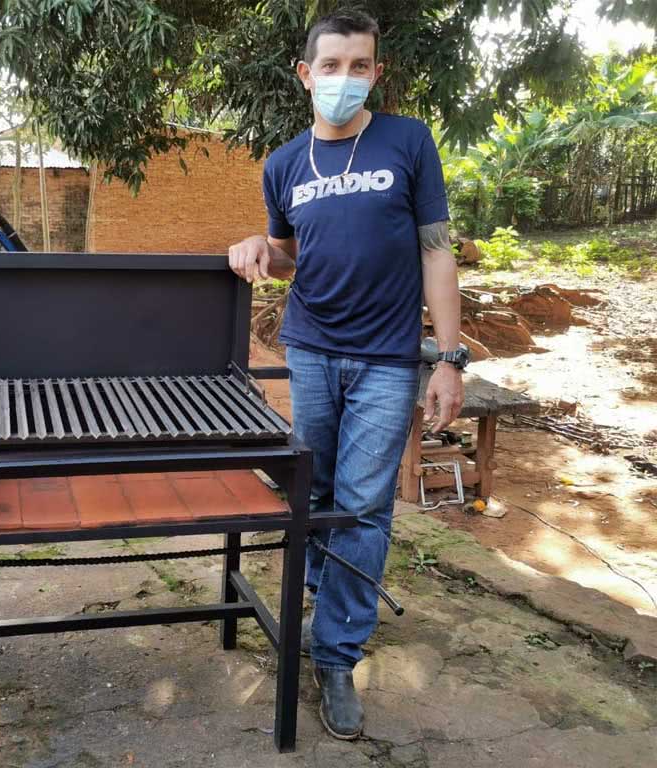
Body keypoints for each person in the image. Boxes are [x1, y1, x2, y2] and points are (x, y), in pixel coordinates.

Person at [228, 9, 465, 741]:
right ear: (305, 74)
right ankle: (324, 605)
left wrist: (449, 358)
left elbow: (436, 252)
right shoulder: (283, 165)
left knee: (364, 507)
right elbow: (291, 252)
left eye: (358, 65)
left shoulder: (408, 141)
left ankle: (333, 654)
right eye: (330, 66)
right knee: (317, 492)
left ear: (376, 73)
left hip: (388, 360)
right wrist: (253, 248)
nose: (343, 79)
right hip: (311, 351)